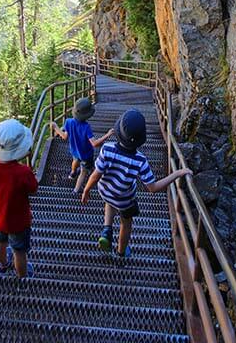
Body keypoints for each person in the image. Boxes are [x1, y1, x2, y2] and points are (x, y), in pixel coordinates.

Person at [81, 108, 192, 258]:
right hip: (124, 200)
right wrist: (177, 173)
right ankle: (121, 251)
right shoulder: (140, 161)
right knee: (126, 223)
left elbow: (95, 175)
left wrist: (86, 190)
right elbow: (153, 188)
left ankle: (107, 230)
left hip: (105, 190)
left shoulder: (106, 149)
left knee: (109, 201)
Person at [0, 118, 37, 279]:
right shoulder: (23, 172)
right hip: (19, 222)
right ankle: (22, 278)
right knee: (19, 252)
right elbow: (33, 189)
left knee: (0, 242)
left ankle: (2, 266)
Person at [51, 97, 114, 193]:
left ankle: (72, 173)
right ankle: (76, 190)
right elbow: (94, 143)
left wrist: (55, 128)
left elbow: (64, 137)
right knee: (83, 172)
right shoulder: (86, 127)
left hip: (74, 150)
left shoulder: (68, 121)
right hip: (86, 155)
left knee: (75, 160)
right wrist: (108, 135)